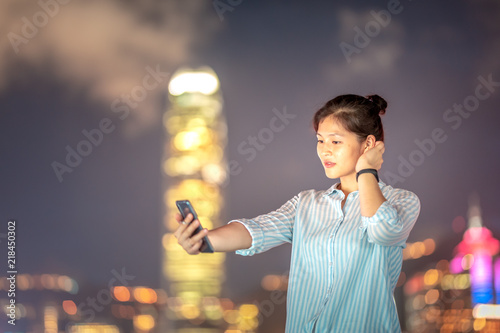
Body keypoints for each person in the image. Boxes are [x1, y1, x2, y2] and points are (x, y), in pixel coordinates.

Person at [174, 94, 421, 333]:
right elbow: (257, 230)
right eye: (320, 140)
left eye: (335, 141)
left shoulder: (402, 201)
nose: (325, 151)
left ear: (368, 144)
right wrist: (204, 240)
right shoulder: (306, 204)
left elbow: (382, 231)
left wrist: (366, 170)